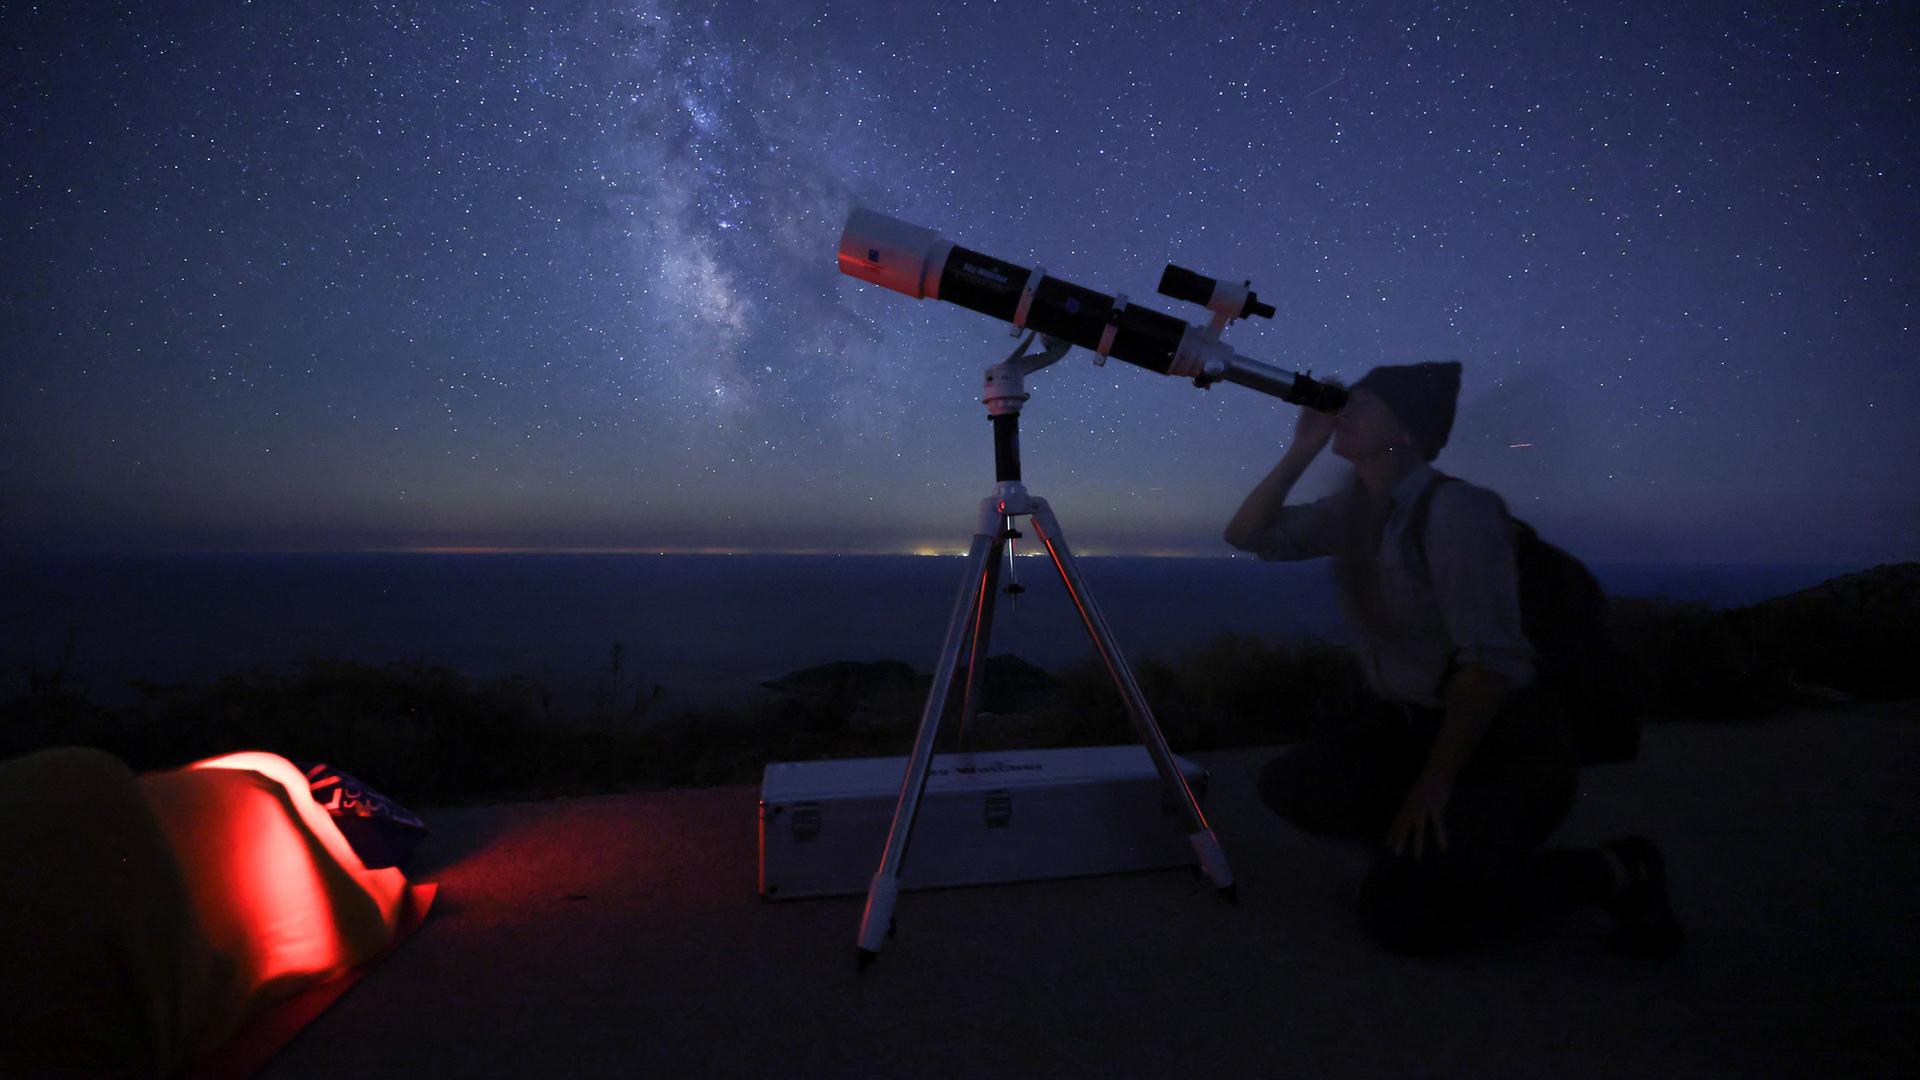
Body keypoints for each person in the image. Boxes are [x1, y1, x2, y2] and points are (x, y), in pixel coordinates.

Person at [1224, 360, 1683, 956]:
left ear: (1407, 430)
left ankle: (1616, 869)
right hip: (1413, 731)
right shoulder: (1358, 511)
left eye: (1363, 404)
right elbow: (1249, 535)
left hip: (1506, 747)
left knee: (1400, 917)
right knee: (1291, 786)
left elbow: (1489, 668)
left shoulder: (1457, 513)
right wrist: (1303, 447)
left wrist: (1433, 786)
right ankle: (1433, 855)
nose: (1345, 411)